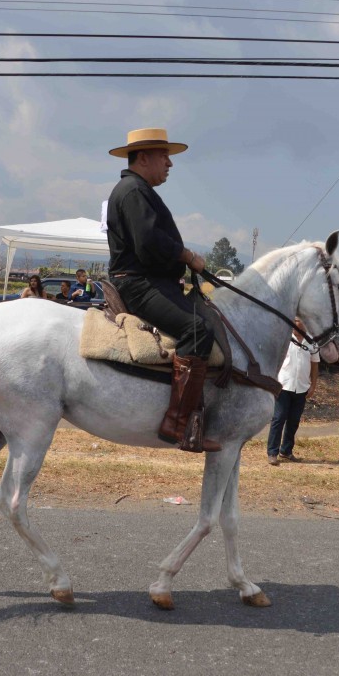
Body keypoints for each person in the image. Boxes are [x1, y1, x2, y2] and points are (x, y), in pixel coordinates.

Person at [105, 128, 215, 452]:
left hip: (146, 281)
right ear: (144, 157)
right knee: (198, 328)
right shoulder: (133, 191)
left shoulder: (137, 190)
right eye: (164, 156)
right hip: (139, 284)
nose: (170, 163)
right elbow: (149, 244)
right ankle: (178, 422)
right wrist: (188, 256)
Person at [266, 318, 320, 466]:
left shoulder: (311, 341)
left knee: (294, 420)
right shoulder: (284, 338)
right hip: (284, 386)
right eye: (295, 320)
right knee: (279, 418)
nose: (298, 323)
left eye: (300, 320)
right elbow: (273, 360)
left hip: (301, 387)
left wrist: (313, 385)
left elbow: (315, 365)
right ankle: (272, 452)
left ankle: (286, 450)